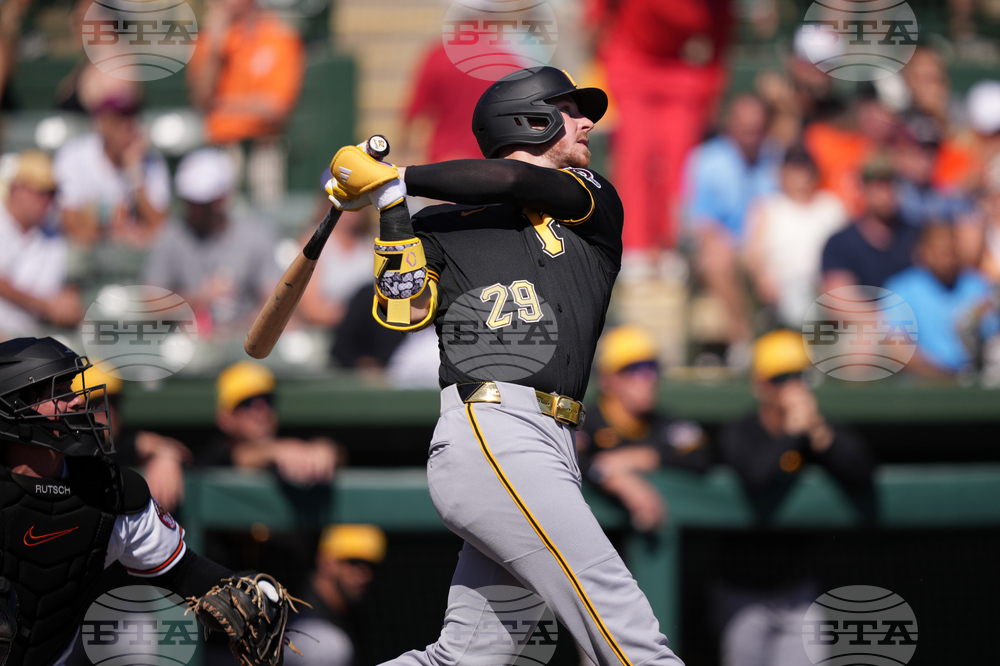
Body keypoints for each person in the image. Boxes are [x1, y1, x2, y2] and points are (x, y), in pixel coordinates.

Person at [326, 66, 684, 666]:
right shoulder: (435, 222)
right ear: (530, 118)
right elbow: (403, 308)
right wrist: (390, 208)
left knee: (467, 659)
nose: (588, 121)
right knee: (627, 631)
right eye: (571, 110)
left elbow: (516, 178)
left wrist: (398, 177)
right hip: (495, 427)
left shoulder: (588, 197)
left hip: (552, 440)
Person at [0, 336, 283, 666]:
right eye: (61, 392)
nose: (78, 401)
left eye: (73, 389)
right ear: (16, 406)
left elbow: (181, 571)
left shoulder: (109, 490)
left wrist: (242, 590)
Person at [719, 330, 877, 524]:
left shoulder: (819, 425)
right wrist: (792, 433)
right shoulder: (743, 430)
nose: (792, 385)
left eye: (800, 376)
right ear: (759, 386)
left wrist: (819, 433)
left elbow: (862, 474)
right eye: (781, 378)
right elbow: (756, 479)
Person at [577, 326, 711, 533]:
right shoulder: (585, 422)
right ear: (608, 379)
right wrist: (615, 478)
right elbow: (572, 461)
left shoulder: (666, 423)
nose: (648, 378)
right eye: (635, 369)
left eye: (652, 367)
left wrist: (644, 457)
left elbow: (702, 456)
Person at [143, 148, 282, 337]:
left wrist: (242, 329)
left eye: (203, 202)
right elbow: (152, 302)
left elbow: (275, 302)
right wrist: (200, 298)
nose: (195, 209)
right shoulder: (172, 237)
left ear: (223, 197)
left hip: (244, 345)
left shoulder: (255, 237)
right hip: (186, 346)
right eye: (190, 200)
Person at [683, 94, 782, 352]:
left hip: (769, 243)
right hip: (728, 245)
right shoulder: (706, 160)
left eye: (758, 125)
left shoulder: (776, 157)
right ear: (730, 123)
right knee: (717, 257)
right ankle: (743, 342)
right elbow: (699, 221)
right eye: (745, 124)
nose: (752, 131)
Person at [186, 0, 305, 205]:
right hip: (222, 148)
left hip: (264, 147)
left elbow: (277, 107)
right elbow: (201, 99)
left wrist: (222, 104)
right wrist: (215, 50)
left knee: (268, 213)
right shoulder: (209, 39)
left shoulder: (278, 36)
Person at [744, 147, 848, 328]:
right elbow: (753, 254)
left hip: (826, 286)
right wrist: (762, 277)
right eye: (794, 170)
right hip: (784, 289)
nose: (800, 176)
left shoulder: (832, 206)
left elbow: (849, 249)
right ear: (782, 173)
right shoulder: (768, 208)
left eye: (804, 170)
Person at [52, 91, 170, 248]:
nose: (126, 128)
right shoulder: (74, 156)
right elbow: (71, 227)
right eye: (118, 121)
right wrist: (113, 236)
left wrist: (135, 174)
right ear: (102, 124)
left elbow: (162, 229)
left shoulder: (150, 161)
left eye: (131, 119)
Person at [884, 222, 999, 378]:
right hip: (922, 383)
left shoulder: (978, 286)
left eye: (950, 251)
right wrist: (942, 378)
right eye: (938, 251)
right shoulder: (902, 288)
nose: (945, 259)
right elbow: (897, 348)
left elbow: (991, 336)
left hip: (976, 377)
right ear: (923, 251)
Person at [72, 365, 192, 512]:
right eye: (96, 403)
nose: (109, 412)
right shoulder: (62, 453)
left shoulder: (128, 441)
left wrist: (166, 456)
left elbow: (182, 452)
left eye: (113, 402)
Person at [207, 360, 339, 485]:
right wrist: (273, 452)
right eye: (247, 403)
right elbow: (238, 456)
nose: (262, 412)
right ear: (226, 419)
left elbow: (337, 449)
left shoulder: (287, 439)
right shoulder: (212, 458)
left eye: (267, 400)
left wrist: (325, 448)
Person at [0, 150, 82, 336]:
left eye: (51, 193)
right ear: (16, 189)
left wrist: (66, 305)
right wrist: (46, 305)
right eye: (40, 192)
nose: (46, 200)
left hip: (31, 340)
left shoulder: (53, 235)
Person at [286, 524, 387, 666]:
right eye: (354, 562)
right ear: (325, 561)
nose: (366, 574)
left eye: (371, 566)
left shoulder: (355, 617)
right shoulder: (296, 611)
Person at [821, 157, 918, 292]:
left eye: (891, 185)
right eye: (879, 186)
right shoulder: (840, 243)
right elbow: (839, 297)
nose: (886, 194)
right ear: (864, 189)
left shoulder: (915, 237)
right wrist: (888, 313)